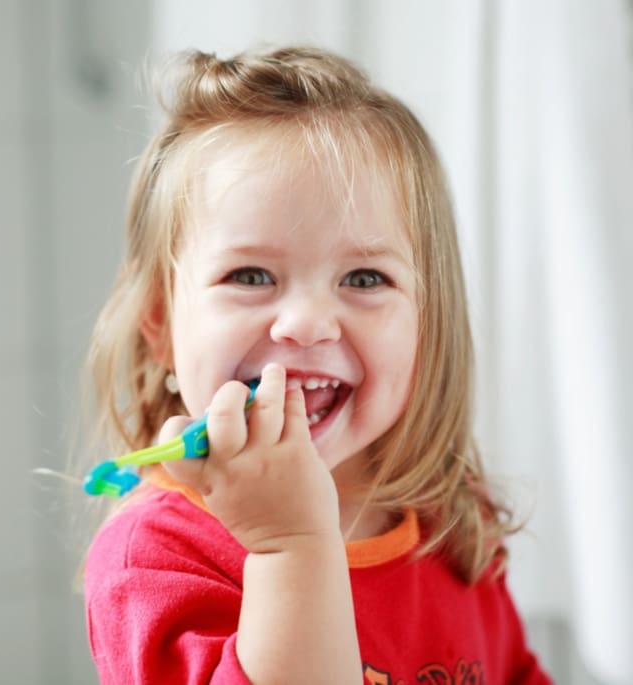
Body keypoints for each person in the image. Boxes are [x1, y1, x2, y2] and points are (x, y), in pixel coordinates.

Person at [81, 45, 551, 685]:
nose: (304, 323)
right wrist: (291, 545)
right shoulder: (157, 559)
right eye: (249, 275)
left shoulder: (451, 522)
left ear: (427, 322)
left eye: (363, 276)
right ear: (160, 325)